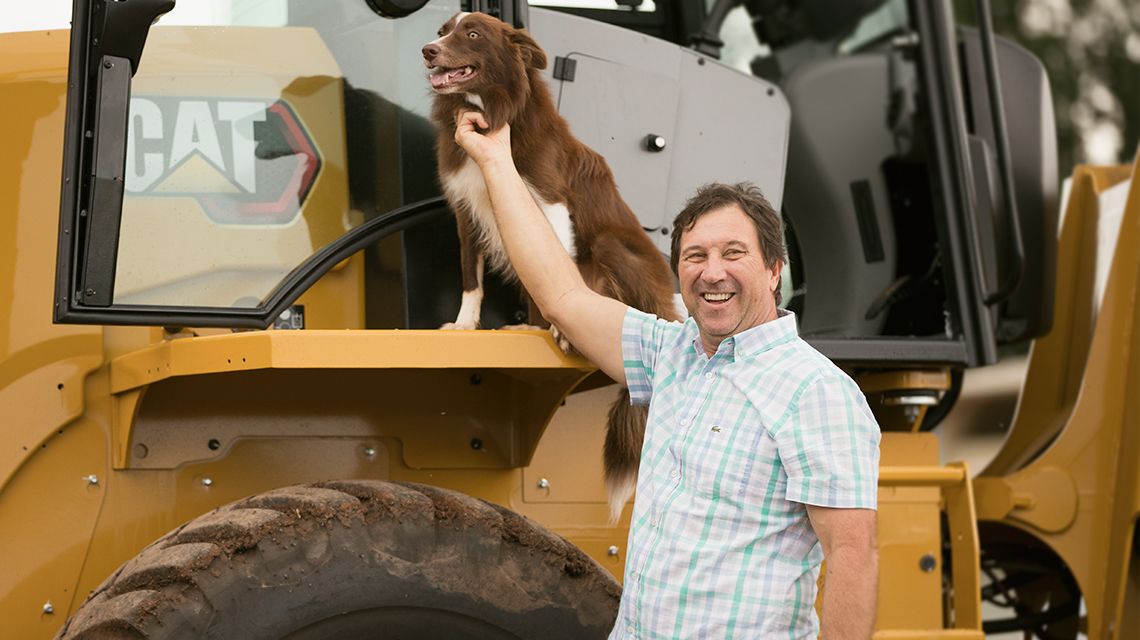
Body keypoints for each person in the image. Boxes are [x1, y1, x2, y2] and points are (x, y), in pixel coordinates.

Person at [452, 109, 880, 639]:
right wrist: (497, 160)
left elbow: (853, 554)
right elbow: (561, 295)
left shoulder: (816, 391)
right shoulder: (670, 353)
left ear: (774, 269)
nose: (712, 272)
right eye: (695, 256)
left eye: (733, 253)